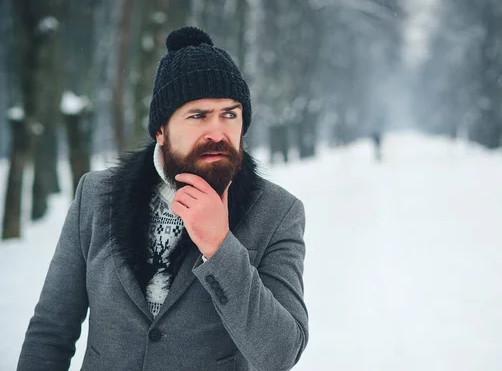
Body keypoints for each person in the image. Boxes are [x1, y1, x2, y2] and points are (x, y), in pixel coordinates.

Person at [17, 27, 309, 371]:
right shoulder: (97, 198)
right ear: (161, 130)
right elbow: (51, 333)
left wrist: (220, 247)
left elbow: (280, 354)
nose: (217, 132)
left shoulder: (277, 212)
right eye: (198, 115)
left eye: (230, 114)